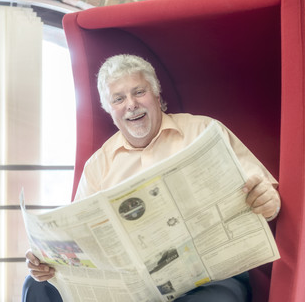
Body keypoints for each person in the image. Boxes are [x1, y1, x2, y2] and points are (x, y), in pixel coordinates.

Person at [22, 54, 281, 302]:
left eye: (138, 92)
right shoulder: (98, 165)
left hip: (208, 279)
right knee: (36, 285)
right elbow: (79, 240)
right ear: (109, 110)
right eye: (118, 98)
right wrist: (48, 262)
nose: (131, 104)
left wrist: (269, 200)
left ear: (156, 94)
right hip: (132, 288)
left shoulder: (204, 131)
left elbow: (265, 191)